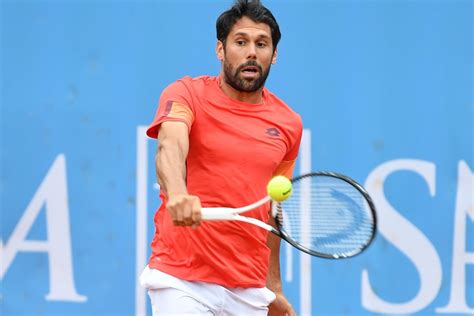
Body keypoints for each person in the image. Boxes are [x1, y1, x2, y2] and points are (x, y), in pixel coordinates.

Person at [140, 0, 302, 315]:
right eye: (241, 42)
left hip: (249, 288)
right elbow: (170, 146)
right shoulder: (185, 93)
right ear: (220, 50)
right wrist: (177, 194)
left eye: (262, 44)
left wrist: (274, 288)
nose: (252, 52)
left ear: (274, 55)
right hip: (181, 278)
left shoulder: (288, 124)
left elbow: (271, 211)